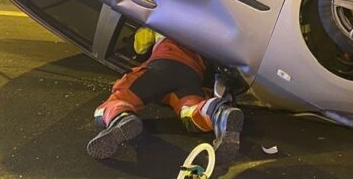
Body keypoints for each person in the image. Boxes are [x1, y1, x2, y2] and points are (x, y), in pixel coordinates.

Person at [88, 30, 244, 163]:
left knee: (123, 95)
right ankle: (217, 113)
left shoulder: (160, 19)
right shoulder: (206, 28)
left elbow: (139, 47)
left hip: (161, 66)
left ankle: (120, 117)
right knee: (190, 109)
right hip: (191, 75)